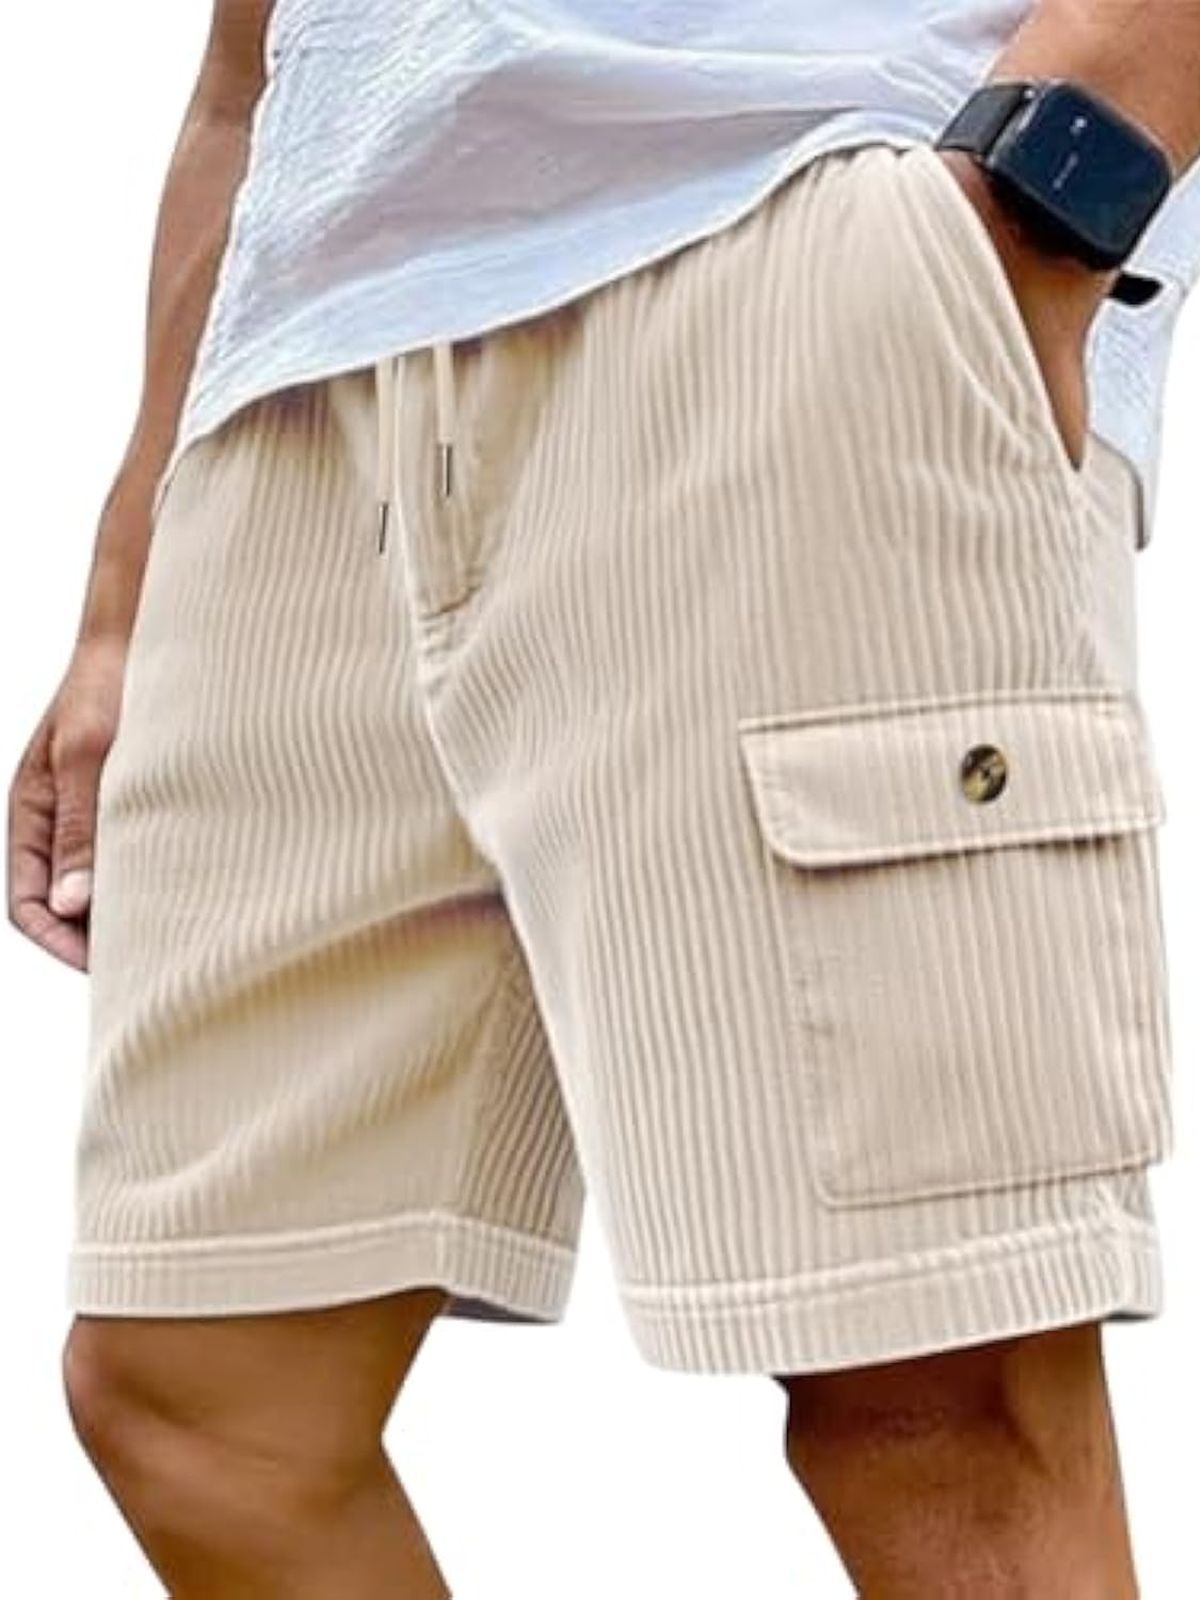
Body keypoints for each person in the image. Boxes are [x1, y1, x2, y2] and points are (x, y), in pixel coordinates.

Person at [7, 0, 1198, 1593]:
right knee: (197, 1394)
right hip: (302, 378)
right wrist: (124, 582)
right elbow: (242, 68)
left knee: (936, 1400)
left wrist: (1045, 195)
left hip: (782, 226)